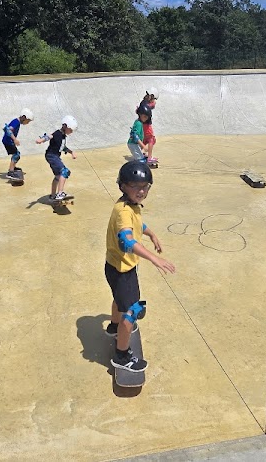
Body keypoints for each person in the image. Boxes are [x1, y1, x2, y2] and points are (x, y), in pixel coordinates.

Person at [105, 161, 175, 372]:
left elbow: (138, 224)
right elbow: (126, 240)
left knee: (120, 300)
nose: (141, 191)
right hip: (123, 271)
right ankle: (122, 356)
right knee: (131, 312)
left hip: (115, 267)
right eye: (135, 186)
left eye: (145, 186)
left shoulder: (128, 206)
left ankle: (114, 327)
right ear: (123, 186)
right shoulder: (124, 212)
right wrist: (154, 258)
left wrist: (151, 233)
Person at [38, 116, 77, 202]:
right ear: (65, 126)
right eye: (70, 130)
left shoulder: (63, 136)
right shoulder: (58, 133)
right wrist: (42, 140)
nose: (71, 132)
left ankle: (52, 196)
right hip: (51, 156)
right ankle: (60, 193)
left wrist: (71, 152)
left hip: (53, 156)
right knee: (64, 171)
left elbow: (63, 147)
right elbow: (50, 136)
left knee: (58, 176)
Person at [2, 108, 34, 179]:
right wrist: (15, 139)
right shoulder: (16, 122)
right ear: (24, 117)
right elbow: (8, 130)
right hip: (8, 141)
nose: (27, 123)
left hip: (8, 140)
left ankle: (12, 168)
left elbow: (5, 128)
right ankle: (10, 172)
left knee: (16, 154)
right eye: (28, 121)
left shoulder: (16, 122)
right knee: (16, 155)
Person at [138, 92, 158, 162]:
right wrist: (153, 104)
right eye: (153, 99)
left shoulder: (143, 102)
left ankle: (138, 154)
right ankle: (149, 158)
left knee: (145, 140)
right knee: (151, 139)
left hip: (143, 125)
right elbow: (149, 107)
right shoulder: (145, 103)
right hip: (146, 125)